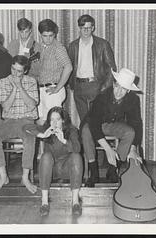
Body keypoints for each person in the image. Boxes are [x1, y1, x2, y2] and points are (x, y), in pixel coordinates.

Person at [68, 14, 117, 185]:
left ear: (94, 27)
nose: (86, 31)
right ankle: (93, 166)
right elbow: (69, 68)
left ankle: (104, 165)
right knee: (86, 128)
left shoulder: (102, 44)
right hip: (79, 88)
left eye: (89, 27)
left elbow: (112, 69)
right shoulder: (73, 45)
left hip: (97, 87)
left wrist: (103, 91)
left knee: (93, 125)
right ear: (79, 28)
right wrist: (72, 86)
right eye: (83, 28)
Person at [81, 68, 143, 185]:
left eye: (124, 89)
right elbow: (94, 123)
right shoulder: (102, 96)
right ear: (114, 84)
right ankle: (93, 171)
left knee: (130, 132)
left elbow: (136, 124)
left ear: (129, 90)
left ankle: (113, 169)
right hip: (95, 124)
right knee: (86, 130)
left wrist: (133, 149)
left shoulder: (133, 100)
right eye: (117, 86)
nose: (119, 92)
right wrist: (108, 149)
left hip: (113, 125)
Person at [0, 55, 39, 194]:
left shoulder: (31, 81)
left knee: (30, 139)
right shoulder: (3, 82)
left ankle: (25, 177)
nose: (15, 73)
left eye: (19, 71)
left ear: (25, 71)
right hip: (9, 121)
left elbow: (31, 106)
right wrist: (14, 89)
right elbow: (5, 107)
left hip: (27, 120)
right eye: (13, 69)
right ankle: (3, 176)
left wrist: (20, 87)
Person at [24, 107, 83, 217]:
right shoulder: (46, 129)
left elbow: (77, 148)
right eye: (52, 120)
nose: (54, 123)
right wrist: (42, 135)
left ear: (63, 120)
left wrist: (64, 140)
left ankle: (75, 202)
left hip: (68, 169)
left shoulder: (71, 130)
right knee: (46, 156)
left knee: (76, 156)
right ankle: (44, 202)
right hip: (50, 171)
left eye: (58, 119)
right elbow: (26, 127)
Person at [37, 19, 73, 125]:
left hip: (53, 91)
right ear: (40, 34)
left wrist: (58, 88)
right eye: (45, 36)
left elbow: (68, 67)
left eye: (51, 36)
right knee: (41, 123)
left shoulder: (58, 48)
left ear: (55, 34)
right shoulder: (41, 47)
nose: (48, 39)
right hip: (42, 90)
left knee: (54, 125)